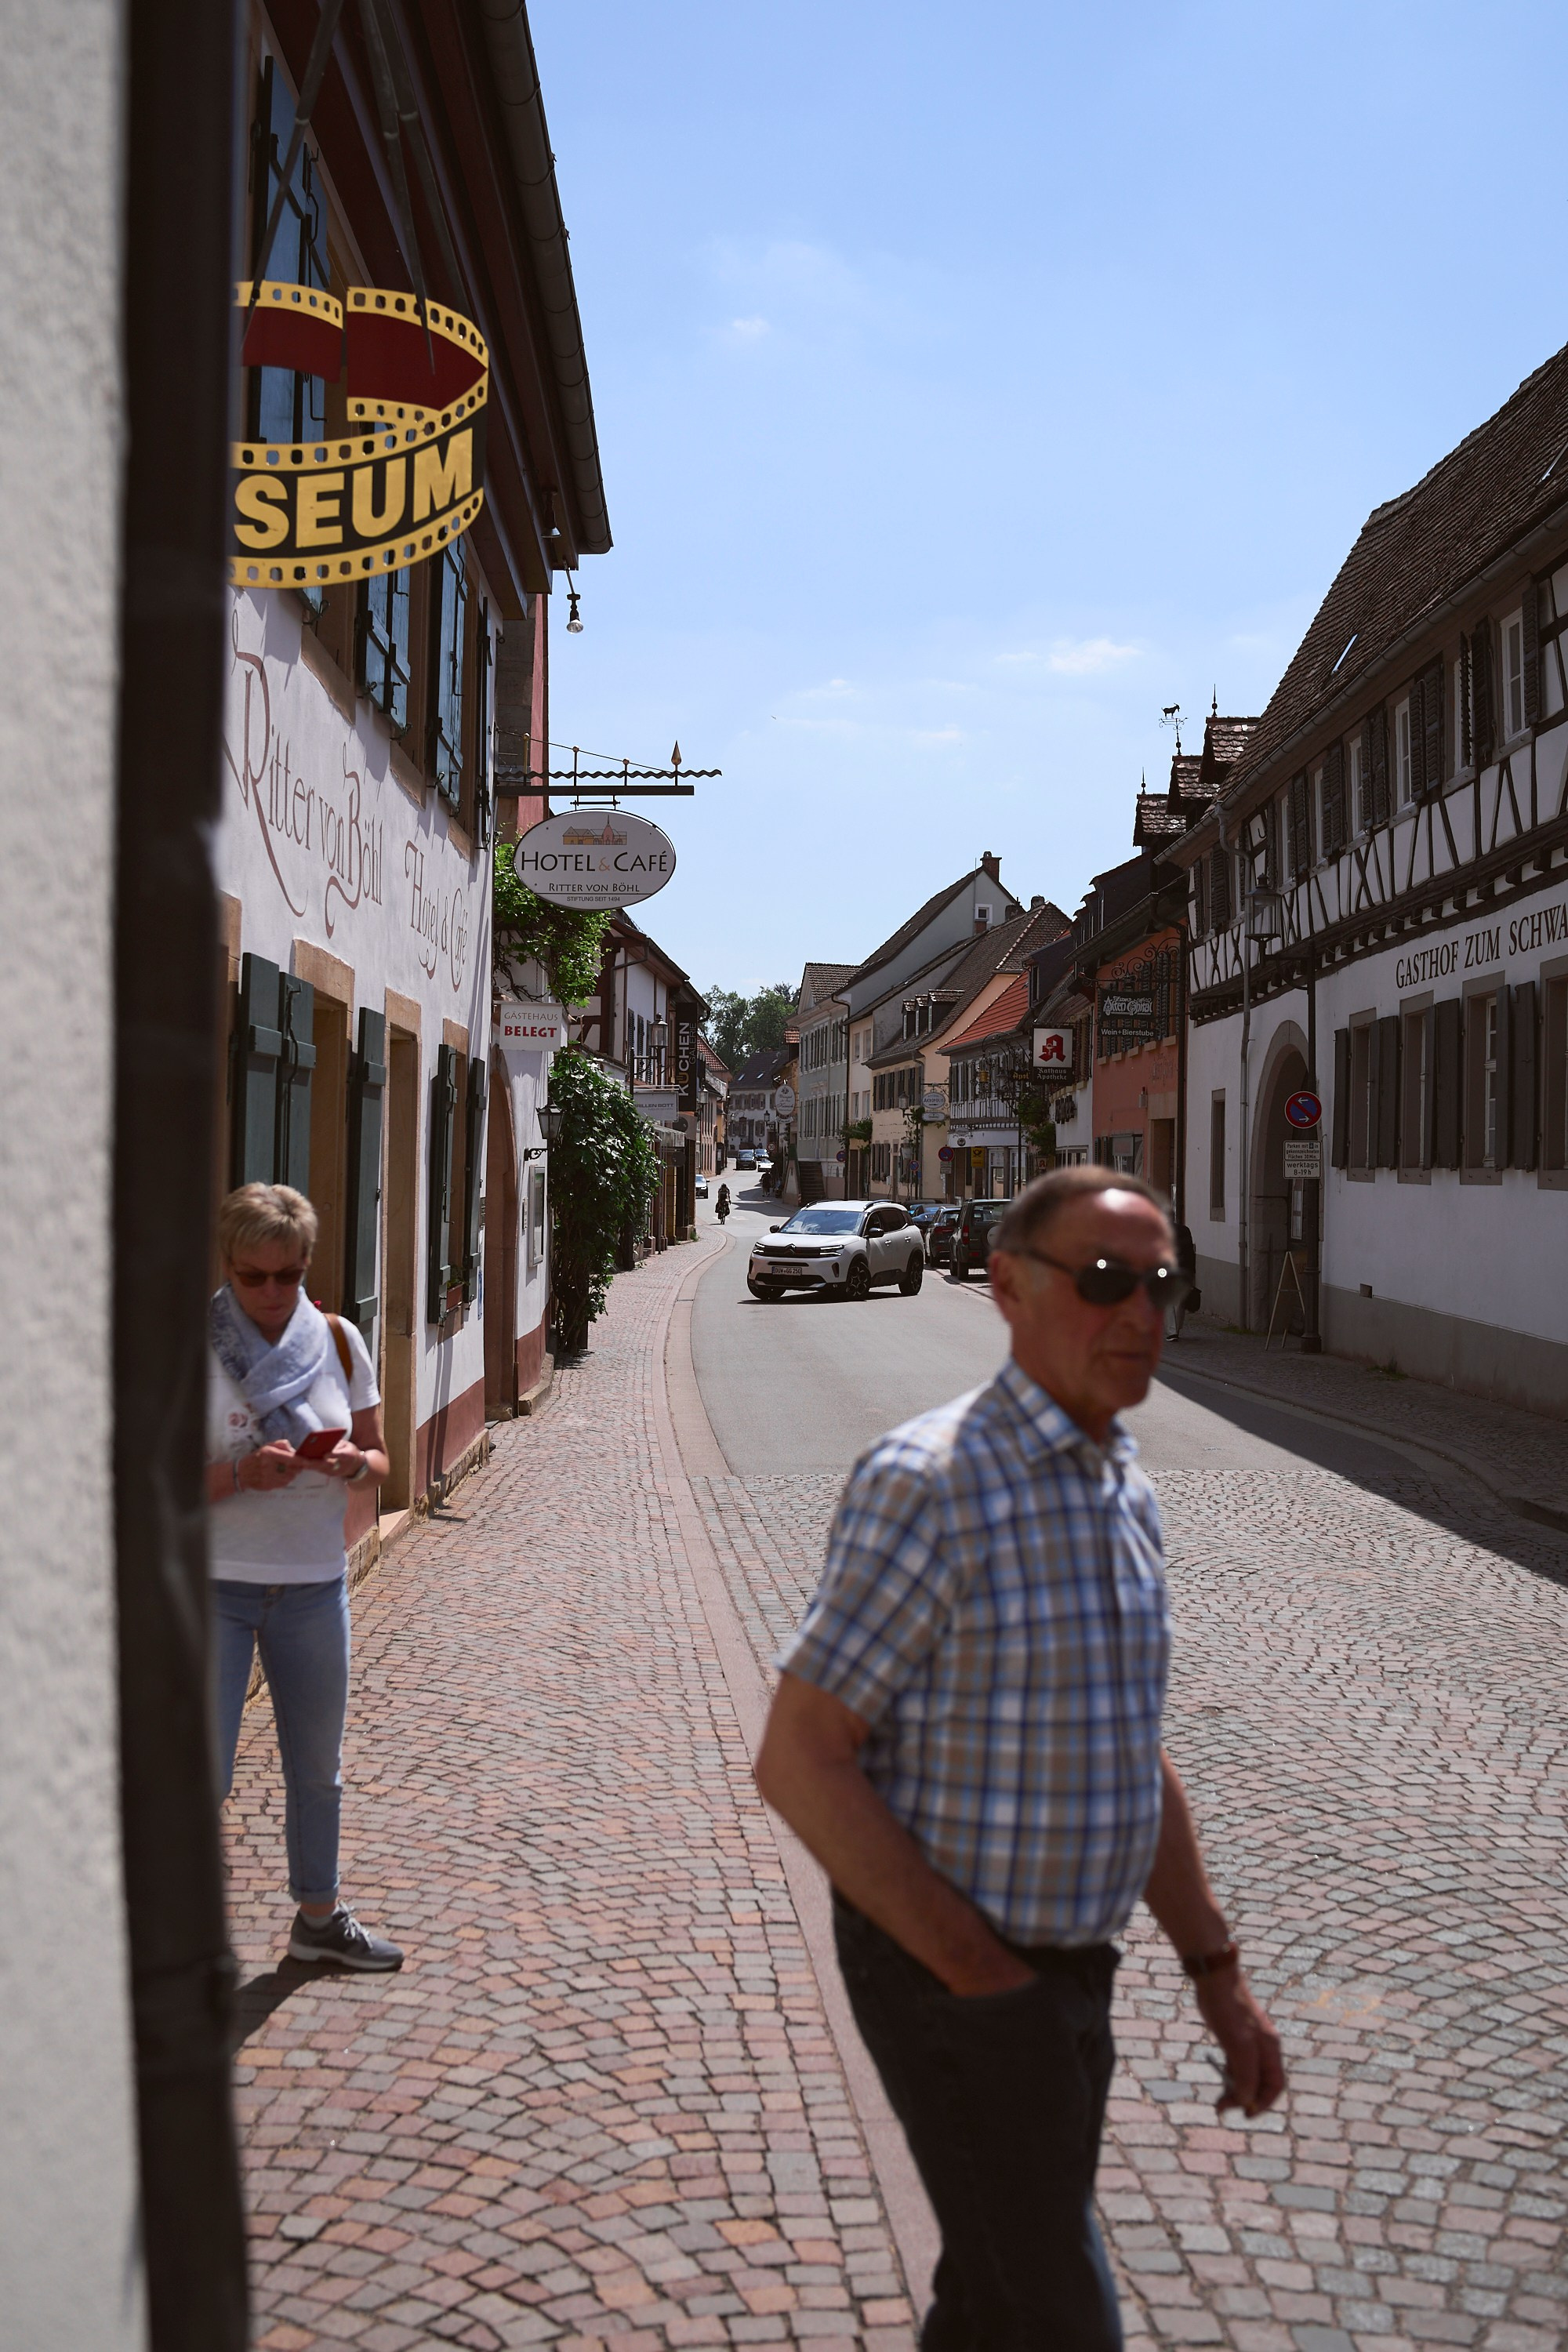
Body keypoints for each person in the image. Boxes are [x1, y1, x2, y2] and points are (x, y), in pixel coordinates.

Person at [755, 1163, 1283, 2351]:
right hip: (957, 1980)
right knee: (1058, 2313)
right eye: (1102, 1281)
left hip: (1071, 1973)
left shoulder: (1120, 1481)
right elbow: (799, 1760)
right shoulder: (933, 1481)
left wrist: (1217, 1975)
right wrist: (979, 1976)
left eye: (1161, 1284)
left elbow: (1129, 1752)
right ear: (1005, 1286)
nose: (1140, 1311)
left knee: (995, 2297)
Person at [206, 1182, 403, 1972]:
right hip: (214, 1586)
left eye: (287, 1275)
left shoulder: (338, 1341)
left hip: (315, 1586)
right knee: (203, 1773)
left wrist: (354, 1463)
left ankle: (318, 1919)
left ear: (306, 1264)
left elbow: (380, 1457)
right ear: (227, 1265)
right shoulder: (191, 1348)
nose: (271, 1292)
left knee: (318, 1769)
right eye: (252, 1276)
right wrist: (237, 1475)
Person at [1168, 1218, 1198, 1341]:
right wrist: (1192, 1272)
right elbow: (1191, 1253)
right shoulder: (1185, 1230)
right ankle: (1176, 1329)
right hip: (1183, 1270)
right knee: (1179, 1301)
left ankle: (1172, 1331)